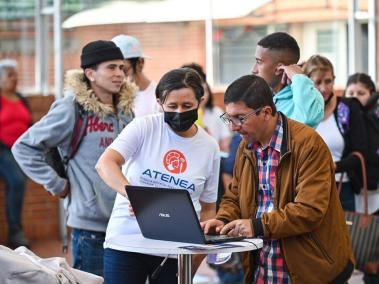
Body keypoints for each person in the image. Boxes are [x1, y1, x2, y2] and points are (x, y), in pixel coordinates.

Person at [201, 74, 354, 284]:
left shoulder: (308, 144)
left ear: (266, 112)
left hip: (309, 269)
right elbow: (234, 196)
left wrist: (256, 226)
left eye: (240, 118)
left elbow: (309, 210)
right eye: (229, 118)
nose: (233, 127)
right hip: (261, 268)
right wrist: (223, 219)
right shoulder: (246, 146)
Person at [11, 40, 136, 276]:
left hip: (125, 224)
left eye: (122, 67)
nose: (119, 73)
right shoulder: (71, 108)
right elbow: (23, 147)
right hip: (90, 229)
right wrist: (57, 184)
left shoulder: (126, 110)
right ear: (90, 73)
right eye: (111, 67)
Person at [96, 68, 220, 283]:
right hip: (126, 244)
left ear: (200, 101)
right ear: (159, 102)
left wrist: (196, 258)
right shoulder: (144, 127)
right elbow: (105, 163)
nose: (180, 112)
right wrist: (133, 195)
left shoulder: (210, 147)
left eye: (187, 106)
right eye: (172, 106)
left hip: (176, 253)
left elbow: (208, 208)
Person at [303, 55, 367, 211]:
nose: (324, 88)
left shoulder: (348, 107)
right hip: (306, 189)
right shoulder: (300, 110)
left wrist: (332, 166)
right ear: (306, 83)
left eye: (328, 81)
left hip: (341, 187)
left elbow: (360, 152)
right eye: (317, 82)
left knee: (346, 234)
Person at [252, 32, 324, 128]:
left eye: (259, 61)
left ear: (279, 68)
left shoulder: (311, 95)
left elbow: (306, 120)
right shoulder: (264, 97)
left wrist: (298, 77)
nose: (253, 69)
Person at [0, 59, 32, 248]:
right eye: (10, 75)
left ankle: (15, 230)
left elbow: (29, 125)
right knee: (17, 181)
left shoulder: (21, 98)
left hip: (21, 150)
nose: (15, 78)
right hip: (3, 149)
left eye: (16, 74)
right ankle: (15, 231)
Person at [345, 73, 379, 214]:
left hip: (374, 186)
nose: (355, 97)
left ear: (371, 94)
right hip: (348, 185)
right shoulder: (342, 114)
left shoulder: (375, 115)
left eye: (361, 93)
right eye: (351, 92)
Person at [181, 63, 231, 152]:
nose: (202, 96)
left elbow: (229, 132)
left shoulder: (219, 112)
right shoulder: (180, 115)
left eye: (205, 90)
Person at [112, 34, 159, 117]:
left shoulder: (158, 96)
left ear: (140, 62)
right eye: (112, 69)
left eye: (124, 70)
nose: (119, 76)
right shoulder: (110, 96)